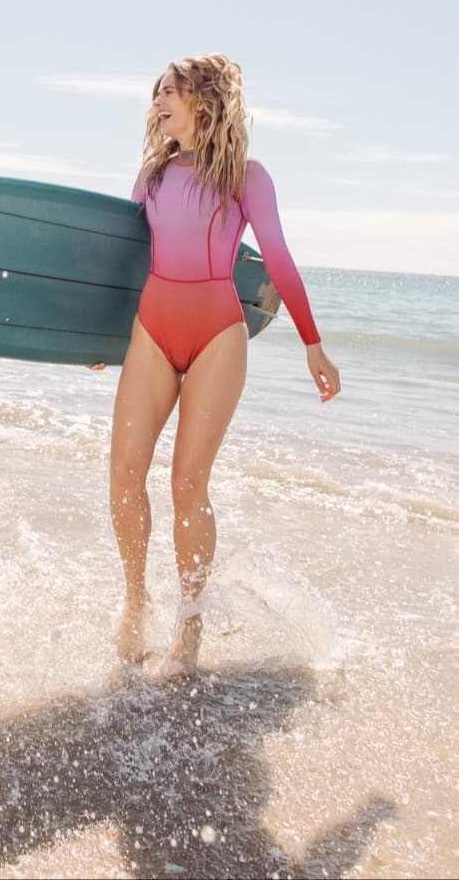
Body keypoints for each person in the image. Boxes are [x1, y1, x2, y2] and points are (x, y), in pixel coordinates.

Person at [100, 53, 340, 670]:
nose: (157, 104)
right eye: (157, 95)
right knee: (125, 471)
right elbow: (125, 258)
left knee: (187, 482)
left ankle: (190, 619)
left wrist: (312, 342)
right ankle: (134, 601)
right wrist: (96, 337)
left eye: (168, 94)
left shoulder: (246, 176)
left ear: (202, 102)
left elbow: (279, 261)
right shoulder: (153, 175)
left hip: (217, 333)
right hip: (152, 328)